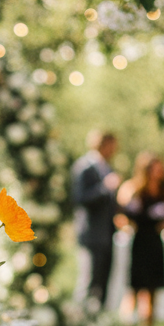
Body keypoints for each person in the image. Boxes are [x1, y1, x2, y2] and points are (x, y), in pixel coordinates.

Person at [117, 152, 164, 326]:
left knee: (153, 291)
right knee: (134, 289)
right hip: (140, 242)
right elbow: (120, 214)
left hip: (156, 243)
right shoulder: (133, 189)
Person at [71, 131, 120, 306]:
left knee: (104, 283)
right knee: (88, 282)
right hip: (91, 235)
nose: (115, 150)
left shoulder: (108, 168)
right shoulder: (84, 167)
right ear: (102, 144)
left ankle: (100, 325)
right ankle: (81, 322)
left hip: (107, 235)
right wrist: (104, 188)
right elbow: (80, 199)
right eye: (112, 145)